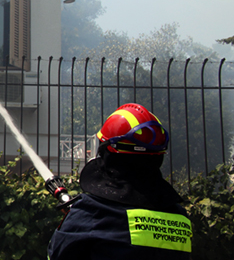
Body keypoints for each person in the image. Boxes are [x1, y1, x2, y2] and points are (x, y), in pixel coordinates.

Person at [48, 103, 192, 259]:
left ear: (107, 153)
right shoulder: (180, 217)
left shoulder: (91, 213)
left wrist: (76, 218)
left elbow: (56, 255)